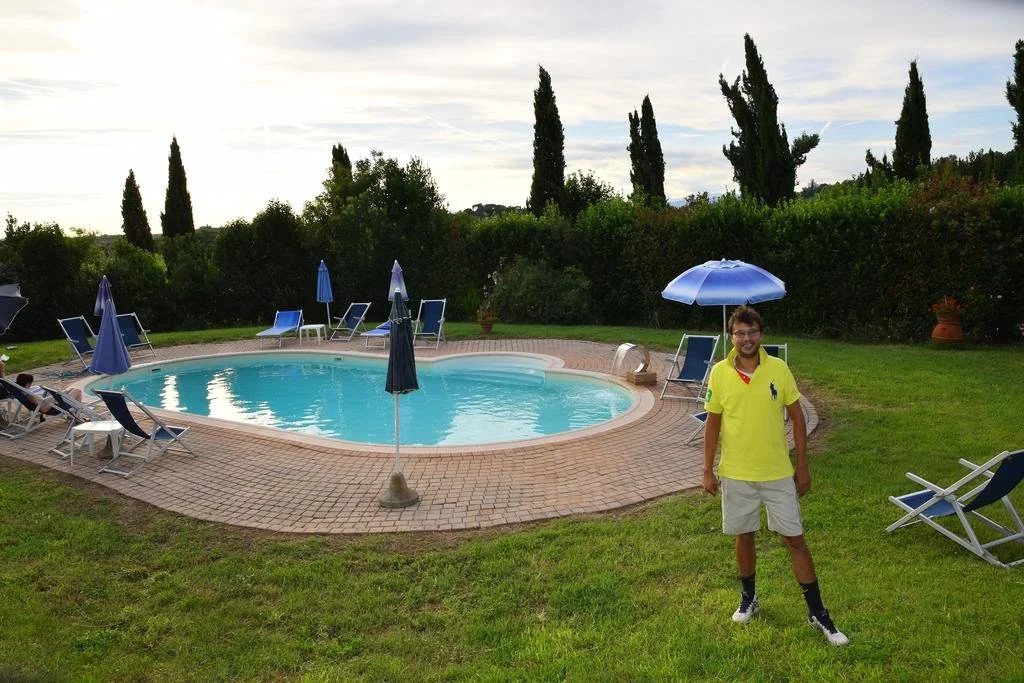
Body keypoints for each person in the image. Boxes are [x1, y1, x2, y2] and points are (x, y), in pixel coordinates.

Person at [702, 305, 848, 646]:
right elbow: (713, 424)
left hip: (778, 473)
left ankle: (818, 613)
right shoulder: (719, 373)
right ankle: (749, 598)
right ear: (731, 336)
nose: (746, 338)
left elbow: (797, 418)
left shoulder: (779, 369)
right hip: (736, 473)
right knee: (744, 536)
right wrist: (707, 469)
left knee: (795, 539)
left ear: (761, 334)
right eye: (740, 333)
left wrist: (803, 464)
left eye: (752, 332)